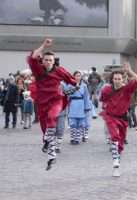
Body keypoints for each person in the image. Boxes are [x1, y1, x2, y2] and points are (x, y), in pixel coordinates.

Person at [27, 38, 77, 170]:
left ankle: (52, 153)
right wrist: (43, 45)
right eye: (46, 59)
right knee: (45, 130)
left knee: (52, 117)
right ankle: (48, 145)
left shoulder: (60, 70)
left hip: (56, 100)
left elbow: (72, 81)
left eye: (50, 60)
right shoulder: (38, 70)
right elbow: (32, 57)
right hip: (42, 102)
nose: (48, 62)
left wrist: (76, 85)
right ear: (42, 61)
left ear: (54, 61)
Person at [100, 62, 137, 177]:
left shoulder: (127, 89)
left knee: (120, 144)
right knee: (114, 137)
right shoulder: (106, 90)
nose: (117, 80)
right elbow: (103, 100)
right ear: (112, 80)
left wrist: (129, 71)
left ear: (122, 79)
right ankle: (115, 163)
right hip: (110, 117)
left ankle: (117, 155)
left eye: (119, 78)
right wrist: (106, 106)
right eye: (115, 78)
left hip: (122, 118)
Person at [66, 71, 91, 145]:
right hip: (73, 103)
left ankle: (77, 138)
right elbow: (67, 94)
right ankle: (73, 138)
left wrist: (87, 107)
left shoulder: (84, 86)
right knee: (72, 123)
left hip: (81, 103)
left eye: (79, 76)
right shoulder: (70, 85)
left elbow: (86, 97)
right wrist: (74, 89)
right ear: (73, 77)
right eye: (76, 75)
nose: (78, 77)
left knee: (80, 123)